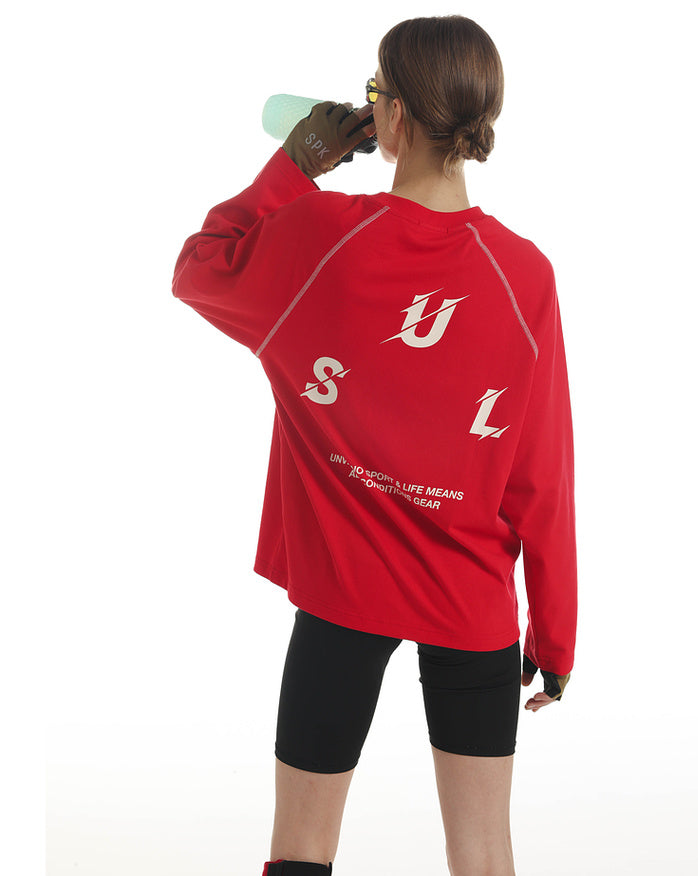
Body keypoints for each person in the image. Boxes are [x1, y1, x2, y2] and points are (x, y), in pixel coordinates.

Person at [172, 14, 577, 876]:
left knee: (300, 855)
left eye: (374, 93)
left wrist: (295, 166)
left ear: (390, 116)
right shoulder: (525, 275)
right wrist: (555, 635)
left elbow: (200, 265)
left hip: (340, 592)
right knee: (484, 857)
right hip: (470, 601)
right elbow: (542, 474)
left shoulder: (318, 236)